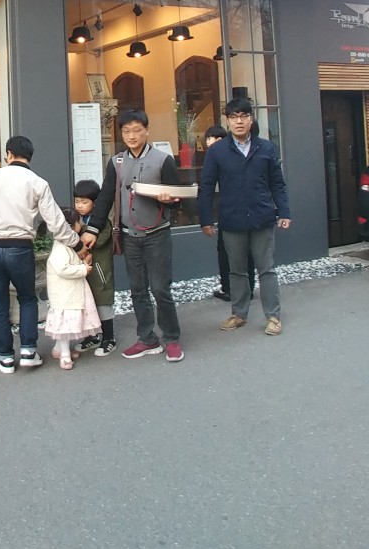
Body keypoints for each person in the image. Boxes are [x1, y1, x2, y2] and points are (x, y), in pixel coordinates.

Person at [0, 135, 85, 374]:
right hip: (21, 248)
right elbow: (56, 222)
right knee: (27, 299)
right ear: (29, 157)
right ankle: (29, 351)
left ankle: (5, 357)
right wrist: (78, 245)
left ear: (8, 154)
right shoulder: (37, 182)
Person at [81, 109, 185, 362]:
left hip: (157, 234)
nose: (131, 136)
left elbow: (178, 198)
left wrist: (169, 199)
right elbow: (105, 197)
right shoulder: (116, 162)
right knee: (137, 290)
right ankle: (147, 339)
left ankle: (171, 338)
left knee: (160, 289)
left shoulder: (163, 160)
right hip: (130, 236)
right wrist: (92, 229)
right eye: (126, 131)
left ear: (147, 131)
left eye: (137, 130)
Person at [198, 97, 291, 336]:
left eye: (243, 116)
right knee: (237, 270)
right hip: (232, 219)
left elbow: (277, 183)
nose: (239, 121)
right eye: (233, 117)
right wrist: (205, 219)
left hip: (262, 217)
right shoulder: (217, 151)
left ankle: (273, 316)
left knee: (266, 269)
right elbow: (206, 186)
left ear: (251, 119)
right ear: (227, 121)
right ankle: (239, 314)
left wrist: (284, 211)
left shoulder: (265, 148)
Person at [202, 125, 255, 302]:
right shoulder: (235, 153)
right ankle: (248, 288)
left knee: (227, 252)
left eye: (209, 138)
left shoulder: (218, 154)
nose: (207, 142)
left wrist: (206, 219)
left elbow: (207, 185)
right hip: (247, 210)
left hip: (230, 211)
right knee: (246, 252)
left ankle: (229, 289)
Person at [45, 208, 101, 371]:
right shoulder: (61, 247)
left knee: (66, 324)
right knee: (65, 326)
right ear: (70, 227)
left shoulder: (68, 244)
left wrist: (83, 263)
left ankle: (58, 349)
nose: (81, 224)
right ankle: (64, 355)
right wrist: (83, 269)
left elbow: (71, 263)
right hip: (65, 294)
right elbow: (63, 269)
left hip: (70, 292)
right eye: (79, 222)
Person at [72, 178, 117, 356]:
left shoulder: (102, 221)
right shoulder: (77, 220)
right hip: (84, 271)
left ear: (95, 203)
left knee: (102, 304)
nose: (80, 206)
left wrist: (83, 231)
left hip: (100, 271)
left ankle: (109, 338)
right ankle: (92, 336)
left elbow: (97, 241)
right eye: (77, 201)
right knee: (86, 304)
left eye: (84, 202)